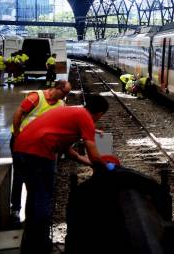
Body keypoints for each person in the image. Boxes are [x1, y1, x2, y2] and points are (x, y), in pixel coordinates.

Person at [13, 94, 109, 253]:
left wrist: (91, 163)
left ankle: (31, 240)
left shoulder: (73, 114)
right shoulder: (84, 117)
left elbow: (71, 153)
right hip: (39, 152)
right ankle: (41, 244)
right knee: (44, 198)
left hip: (22, 149)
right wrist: (105, 170)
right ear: (99, 114)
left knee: (34, 196)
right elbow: (93, 151)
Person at [10, 80, 71, 221]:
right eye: (64, 93)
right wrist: (18, 136)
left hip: (39, 146)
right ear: (57, 88)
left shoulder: (61, 104)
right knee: (19, 175)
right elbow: (18, 114)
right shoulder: (36, 97)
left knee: (37, 178)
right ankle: (15, 208)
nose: (65, 96)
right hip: (21, 141)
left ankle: (37, 212)